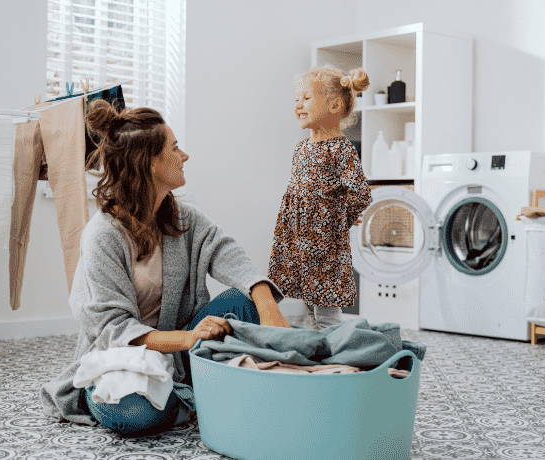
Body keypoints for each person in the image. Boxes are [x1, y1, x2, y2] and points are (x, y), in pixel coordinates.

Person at [40, 99, 291, 437]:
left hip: (180, 353)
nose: (184, 155)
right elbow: (114, 330)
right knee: (132, 411)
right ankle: (205, 393)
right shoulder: (102, 235)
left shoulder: (182, 219)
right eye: (175, 148)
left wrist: (266, 303)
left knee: (245, 302)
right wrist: (190, 338)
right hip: (123, 361)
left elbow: (224, 250)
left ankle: (191, 394)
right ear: (150, 163)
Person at [268, 66, 372, 330]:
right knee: (307, 299)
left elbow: (359, 192)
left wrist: (340, 217)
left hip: (324, 240)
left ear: (334, 105)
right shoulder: (302, 147)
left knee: (325, 302)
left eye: (307, 98)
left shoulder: (340, 148)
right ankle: (316, 346)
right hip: (297, 237)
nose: (299, 105)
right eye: (297, 99)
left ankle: (334, 347)